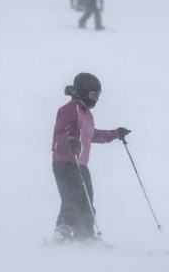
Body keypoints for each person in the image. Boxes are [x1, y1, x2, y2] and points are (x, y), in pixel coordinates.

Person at [51, 73, 130, 243]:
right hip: (64, 162)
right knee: (72, 197)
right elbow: (60, 133)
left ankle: (84, 235)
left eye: (98, 95)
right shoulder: (68, 110)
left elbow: (91, 135)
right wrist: (69, 142)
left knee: (87, 201)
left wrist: (115, 134)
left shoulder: (86, 114)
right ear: (82, 92)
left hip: (81, 163)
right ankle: (61, 233)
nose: (97, 99)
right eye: (94, 95)